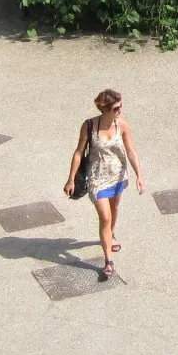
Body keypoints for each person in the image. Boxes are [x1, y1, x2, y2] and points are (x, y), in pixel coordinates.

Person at [65, 89, 145, 280]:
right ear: (106, 109)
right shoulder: (89, 126)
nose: (120, 110)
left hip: (117, 175)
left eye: (121, 106)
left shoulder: (122, 125)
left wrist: (139, 176)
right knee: (105, 217)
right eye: (117, 107)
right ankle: (108, 260)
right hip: (97, 178)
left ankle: (110, 234)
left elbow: (131, 151)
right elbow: (78, 152)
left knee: (114, 208)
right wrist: (71, 178)